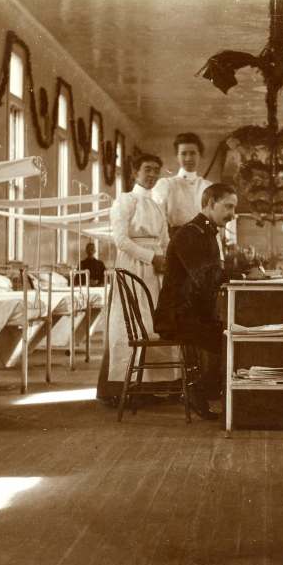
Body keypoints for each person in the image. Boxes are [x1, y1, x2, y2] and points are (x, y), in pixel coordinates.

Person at [155, 183, 264, 420]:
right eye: (228, 206)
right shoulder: (189, 234)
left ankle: (209, 392)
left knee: (234, 334)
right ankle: (203, 393)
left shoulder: (204, 232)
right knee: (234, 338)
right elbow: (207, 277)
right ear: (209, 203)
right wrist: (245, 275)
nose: (232, 213)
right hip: (177, 317)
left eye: (233, 207)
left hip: (193, 314)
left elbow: (214, 272)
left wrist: (244, 269)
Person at [96, 153, 174, 404]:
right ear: (135, 173)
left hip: (155, 271)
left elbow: (165, 240)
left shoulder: (156, 205)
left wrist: (166, 261)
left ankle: (151, 385)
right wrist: (151, 257)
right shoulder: (125, 200)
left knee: (153, 325)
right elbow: (120, 240)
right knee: (130, 323)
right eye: (147, 170)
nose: (152, 175)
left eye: (156, 171)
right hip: (132, 267)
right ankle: (123, 386)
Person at [151, 132, 212, 235]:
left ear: (199, 155)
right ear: (177, 156)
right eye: (183, 154)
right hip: (175, 240)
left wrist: (206, 224)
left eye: (193, 153)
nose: (188, 158)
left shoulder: (208, 186)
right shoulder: (166, 185)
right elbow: (158, 220)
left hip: (204, 241)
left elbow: (211, 219)